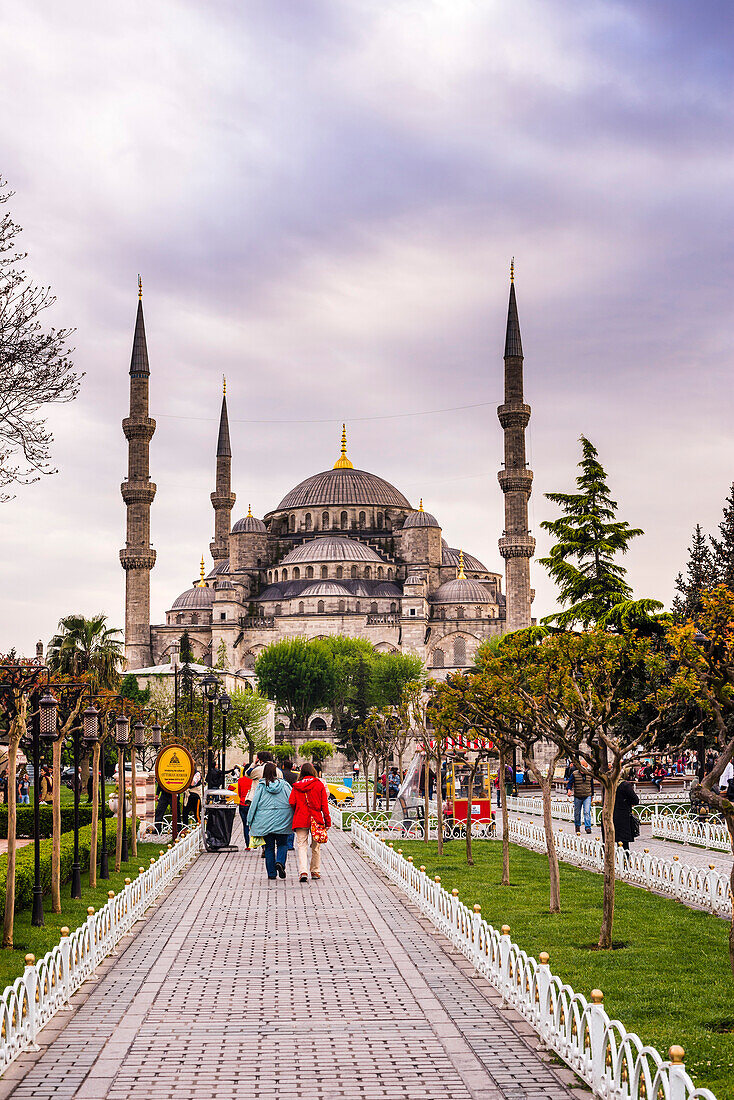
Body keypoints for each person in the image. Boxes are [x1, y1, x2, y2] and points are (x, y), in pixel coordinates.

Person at [247, 763, 293, 880]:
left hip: (265, 821)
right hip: (283, 820)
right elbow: (292, 800)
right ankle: (280, 862)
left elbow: (254, 805)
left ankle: (271, 873)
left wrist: (250, 820)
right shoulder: (285, 785)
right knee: (282, 844)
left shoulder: (261, 786)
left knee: (269, 847)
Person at [289, 763, 331, 883]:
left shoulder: (296, 786)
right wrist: (327, 821)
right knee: (316, 846)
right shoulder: (319, 784)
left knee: (301, 845)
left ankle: (303, 871)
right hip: (316, 819)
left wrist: (297, 810)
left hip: (301, 818)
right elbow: (324, 805)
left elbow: (291, 801)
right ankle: (315, 870)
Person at [613, 771, 640, 852]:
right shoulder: (625, 785)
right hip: (623, 815)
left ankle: (617, 857)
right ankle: (625, 858)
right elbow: (635, 800)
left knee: (616, 838)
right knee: (624, 841)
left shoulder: (609, 785)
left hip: (611, 814)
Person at [566, 759, 594, 834]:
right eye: (581, 766)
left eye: (583, 766)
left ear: (586, 766)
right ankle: (577, 826)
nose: (582, 768)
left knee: (587, 812)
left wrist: (592, 795)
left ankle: (588, 827)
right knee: (577, 813)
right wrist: (569, 790)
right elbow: (569, 783)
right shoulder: (574, 774)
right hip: (578, 796)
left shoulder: (589, 774)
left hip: (587, 795)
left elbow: (591, 785)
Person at [236, 767, 253, 848]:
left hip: (242, 804)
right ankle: (255, 843)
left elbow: (239, 792)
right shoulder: (253, 780)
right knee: (253, 825)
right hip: (251, 804)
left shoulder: (240, 780)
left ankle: (247, 844)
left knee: (245, 825)